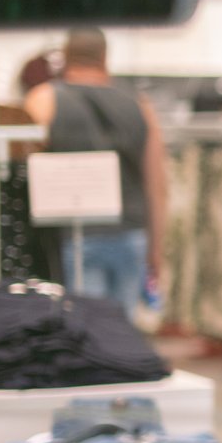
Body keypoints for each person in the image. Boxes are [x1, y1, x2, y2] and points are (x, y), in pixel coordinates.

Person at [23, 28, 167, 317]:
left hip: (75, 234)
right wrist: (156, 250)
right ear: (104, 58)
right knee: (122, 328)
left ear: (66, 57)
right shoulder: (139, 105)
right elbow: (158, 185)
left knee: (84, 328)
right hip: (131, 232)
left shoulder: (44, 100)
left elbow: (23, 166)